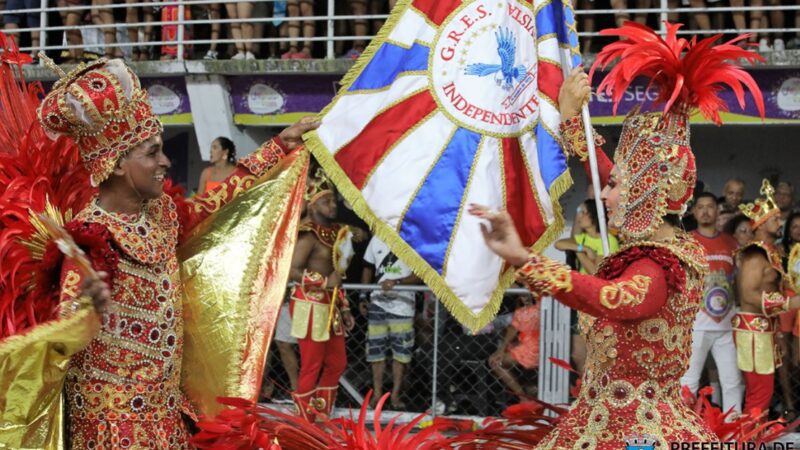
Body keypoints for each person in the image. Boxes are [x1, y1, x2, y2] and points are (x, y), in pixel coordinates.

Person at [470, 21, 765, 447]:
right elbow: (613, 174)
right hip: (608, 420)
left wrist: (525, 259)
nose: (602, 196)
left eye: (613, 189)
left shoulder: (658, 265)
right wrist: (572, 121)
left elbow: (612, 297)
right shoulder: (663, 245)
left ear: (645, 194)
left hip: (635, 434)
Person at [0, 55, 318, 448]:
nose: (165, 162)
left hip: (167, 421)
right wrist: (82, 312)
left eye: (161, 150)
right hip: (111, 434)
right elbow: (58, 340)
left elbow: (211, 204)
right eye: (151, 153)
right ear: (115, 165)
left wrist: (276, 149)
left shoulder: (163, 214)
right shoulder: (89, 239)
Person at [288, 168, 356, 421]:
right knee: (312, 365)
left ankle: (320, 415)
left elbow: (337, 273)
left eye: (333, 200)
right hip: (310, 304)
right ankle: (304, 423)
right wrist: (325, 282)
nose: (332, 205)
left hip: (332, 305)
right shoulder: (309, 235)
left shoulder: (337, 234)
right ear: (313, 205)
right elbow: (292, 270)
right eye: (326, 201)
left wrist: (345, 307)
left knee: (337, 363)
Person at [734, 179, 800, 417]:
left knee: (763, 392)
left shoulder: (772, 252)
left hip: (764, 329)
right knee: (759, 394)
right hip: (754, 330)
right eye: (774, 219)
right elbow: (748, 294)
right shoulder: (755, 255)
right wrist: (788, 303)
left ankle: (752, 437)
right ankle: (747, 440)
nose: (780, 222)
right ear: (761, 224)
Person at [680, 192, 743, 415]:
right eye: (701, 207)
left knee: (732, 380)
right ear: (694, 212)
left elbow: (739, 280)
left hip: (726, 325)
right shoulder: (687, 243)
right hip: (695, 325)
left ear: (718, 212)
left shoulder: (731, 242)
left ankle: (733, 432)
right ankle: (683, 429)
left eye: (710, 207)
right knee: (688, 381)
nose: (706, 211)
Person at [555, 199, 619, 374]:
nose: (580, 217)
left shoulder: (609, 241)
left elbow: (595, 272)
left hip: (598, 300)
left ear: (594, 215)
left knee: (597, 351)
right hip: (580, 300)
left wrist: (580, 253)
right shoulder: (580, 238)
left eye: (583, 212)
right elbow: (558, 244)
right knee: (578, 354)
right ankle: (584, 390)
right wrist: (582, 247)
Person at [359, 235, 421, 410]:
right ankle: (377, 394)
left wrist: (398, 282)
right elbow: (367, 268)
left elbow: (421, 274)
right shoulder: (377, 239)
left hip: (404, 306)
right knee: (375, 351)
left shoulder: (413, 240)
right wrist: (363, 295)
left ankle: (395, 395)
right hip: (377, 303)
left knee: (401, 354)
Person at [488, 294, 540, 402]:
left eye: (528, 295)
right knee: (497, 361)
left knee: (496, 363)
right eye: (523, 296)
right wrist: (501, 350)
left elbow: (513, 330)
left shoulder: (535, 309)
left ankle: (523, 397)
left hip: (533, 347)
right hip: (527, 345)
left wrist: (501, 350)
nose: (526, 298)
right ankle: (525, 396)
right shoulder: (523, 310)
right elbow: (513, 329)